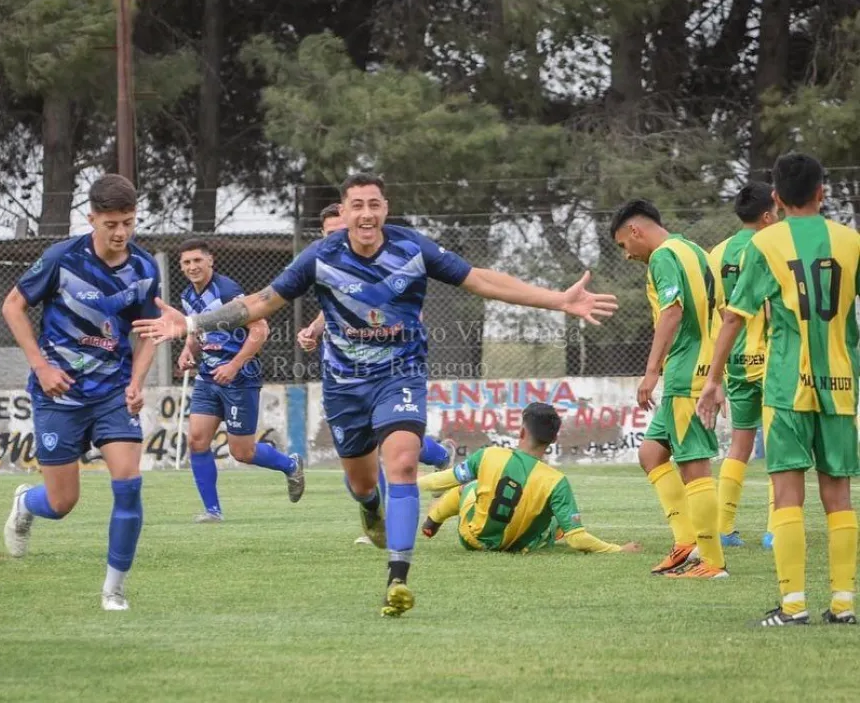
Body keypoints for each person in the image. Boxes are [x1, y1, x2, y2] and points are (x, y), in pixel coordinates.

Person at [133, 172, 618, 616]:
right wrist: (193, 323)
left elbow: (482, 280)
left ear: (385, 208)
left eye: (375, 204)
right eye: (357, 205)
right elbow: (261, 302)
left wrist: (557, 299)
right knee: (363, 486)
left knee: (402, 461)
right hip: (345, 388)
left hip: (400, 375)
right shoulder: (320, 257)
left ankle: (397, 577)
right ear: (343, 213)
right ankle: (369, 509)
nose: (366, 214)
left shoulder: (412, 247)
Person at [697, 153, 860, 626]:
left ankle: (793, 606)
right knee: (839, 493)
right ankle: (844, 604)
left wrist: (713, 380)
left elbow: (734, 315)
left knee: (787, 493)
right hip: (840, 383)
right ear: (822, 192)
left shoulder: (764, 244)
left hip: (786, 384)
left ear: (776, 197)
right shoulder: (851, 242)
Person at [1, 174, 159, 611]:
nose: (121, 232)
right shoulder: (61, 258)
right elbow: (13, 305)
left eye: (128, 221)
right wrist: (41, 365)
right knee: (62, 501)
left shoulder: (145, 269)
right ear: (92, 219)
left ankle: (114, 590)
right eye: (111, 223)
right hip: (60, 394)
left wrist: (136, 381)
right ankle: (26, 503)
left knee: (128, 484)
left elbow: (148, 332)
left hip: (112, 392)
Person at [297, 203, 457, 546]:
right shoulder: (326, 264)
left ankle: (383, 528)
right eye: (331, 234)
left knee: (389, 448)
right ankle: (439, 455)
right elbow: (335, 309)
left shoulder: (389, 269)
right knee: (358, 471)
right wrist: (313, 329)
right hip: (343, 377)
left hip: (388, 372)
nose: (339, 239)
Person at [611, 198, 728, 579]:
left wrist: (650, 372)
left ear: (635, 231)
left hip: (685, 372)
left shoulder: (663, 256)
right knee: (651, 454)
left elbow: (672, 312)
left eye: (623, 245)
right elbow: (724, 314)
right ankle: (686, 542)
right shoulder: (696, 250)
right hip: (699, 369)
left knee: (694, 466)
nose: (627, 255)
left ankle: (712, 561)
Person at [177, 238, 305, 523]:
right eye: (186, 262)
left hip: (239, 380)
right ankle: (212, 511)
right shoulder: (188, 295)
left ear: (211, 261)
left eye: (197, 260)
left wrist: (234, 365)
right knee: (197, 441)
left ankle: (290, 464)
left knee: (242, 452)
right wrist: (188, 350)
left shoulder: (227, 291)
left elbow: (260, 328)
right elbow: (197, 331)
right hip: (208, 378)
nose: (192, 266)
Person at [419, 403, 641, 556]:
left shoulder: (489, 455)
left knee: (469, 486)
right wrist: (619, 549)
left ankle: (433, 519)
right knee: (554, 518)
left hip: (472, 540)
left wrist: (405, 482)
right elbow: (577, 539)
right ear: (554, 439)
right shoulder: (556, 481)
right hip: (517, 547)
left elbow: (442, 481)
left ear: (521, 432)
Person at [707, 182, 779, 548]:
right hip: (771, 358)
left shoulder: (717, 253)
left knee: (740, 444)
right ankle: (773, 531)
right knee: (779, 447)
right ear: (767, 215)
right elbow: (769, 304)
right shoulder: (771, 246)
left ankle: (724, 527)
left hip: (734, 360)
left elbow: (720, 311)